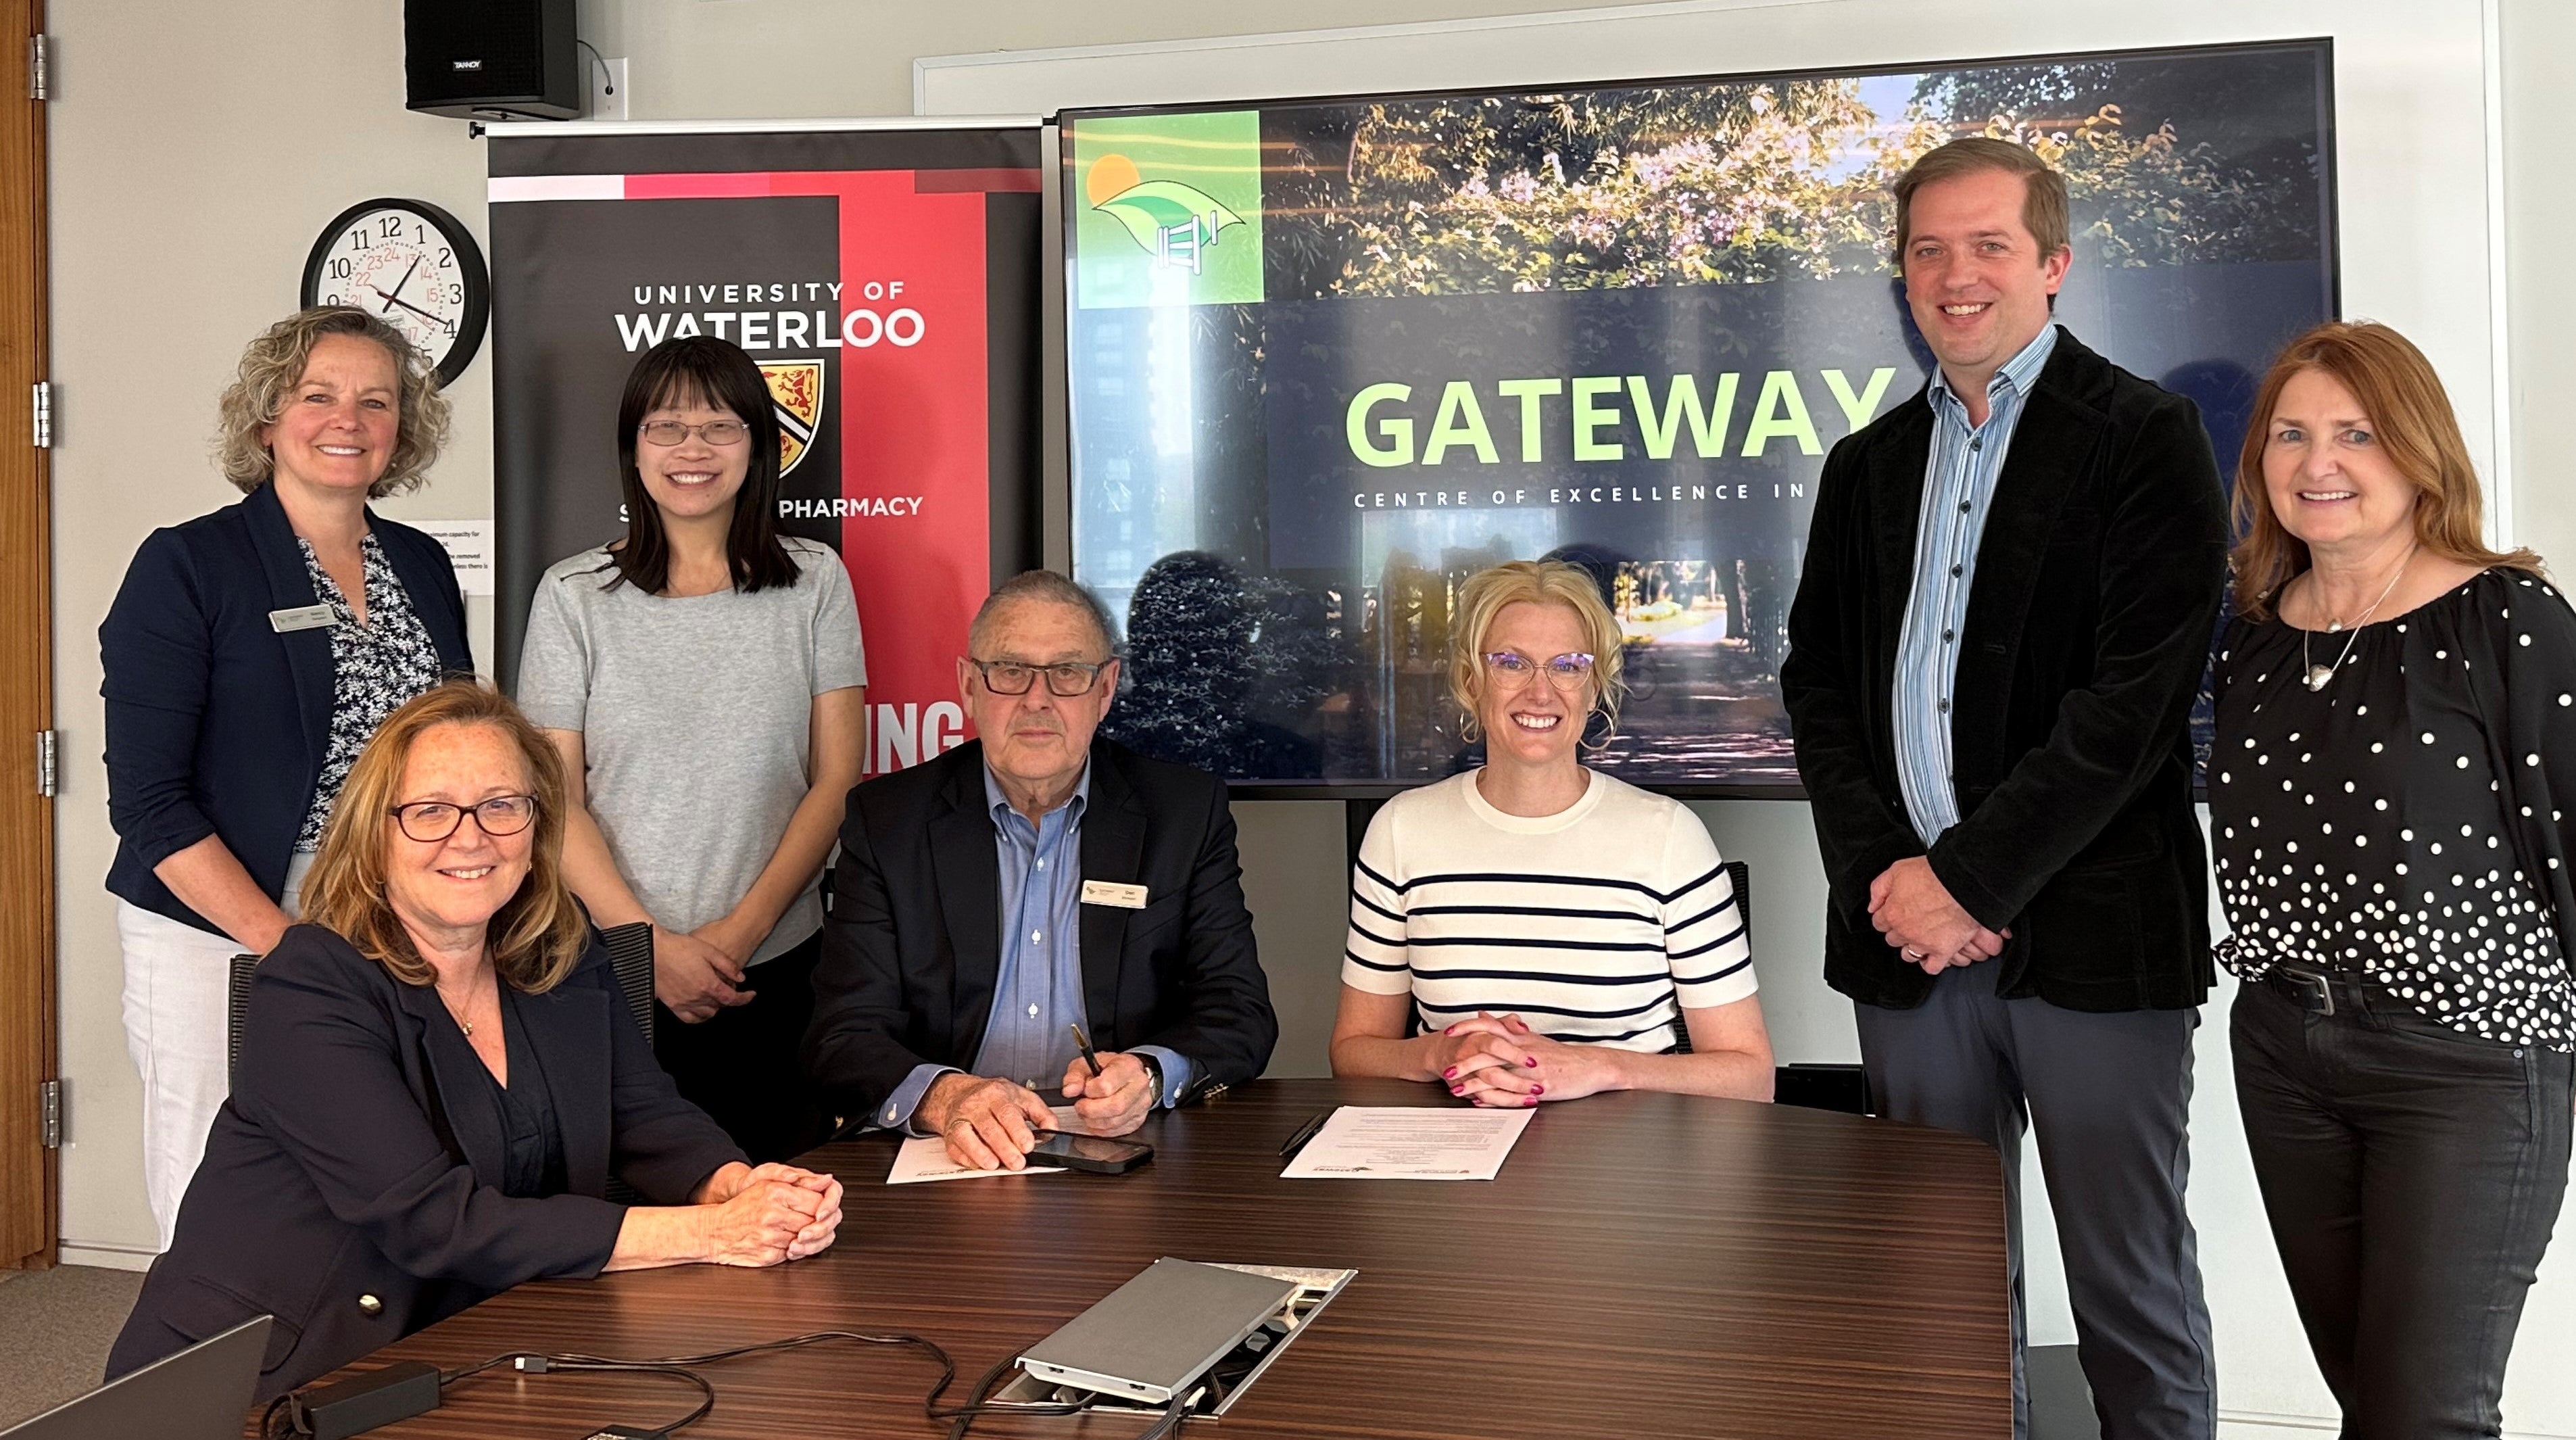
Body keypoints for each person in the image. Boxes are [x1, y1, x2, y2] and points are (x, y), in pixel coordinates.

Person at [1779, 137, 2227, 1440]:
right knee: (1935, 1294)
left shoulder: (2145, 436)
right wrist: (1891, 881)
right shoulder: (1863, 468)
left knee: (2127, 1287)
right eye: (1927, 250)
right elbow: (1819, 692)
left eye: (1987, 246)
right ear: (1902, 277)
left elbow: (2133, 705)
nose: (1954, 274)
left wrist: (1967, 880)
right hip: (1904, 952)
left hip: (2091, 945)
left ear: (2052, 265)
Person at [105, 681, 842, 1402]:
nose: (472, 837)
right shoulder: (311, 985)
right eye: (430, 811)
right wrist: (711, 1232)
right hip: (272, 1376)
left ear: (537, 823)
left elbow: (645, 1114)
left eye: (501, 806)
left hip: (475, 1346)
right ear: (375, 833)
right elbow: (431, 1221)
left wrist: (738, 1186)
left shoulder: (562, 949)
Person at [2211, 321, 2572, 1437]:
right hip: (2285, 1056)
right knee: (2369, 1402)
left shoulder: (2504, 619)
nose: (2318, 463)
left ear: (2418, 453)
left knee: (2424, 1419)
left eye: (2356, 433)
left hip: (2465, 1066)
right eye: (2291, 435)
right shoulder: (2257, 642)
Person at [99, 307, 472, 1248]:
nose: (346, 418)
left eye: (375, 400)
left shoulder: (423, 566)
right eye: (319, 395)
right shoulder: (188, 564)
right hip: (217, 932)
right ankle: (207, 1389)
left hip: (384, 924)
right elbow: (148, 803)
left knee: (374, 1174)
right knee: (215, 1194)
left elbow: (455, 749)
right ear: (267, 419)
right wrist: (288, 944)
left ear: (401, 432)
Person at [516, 335, 866, 1163]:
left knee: (779, 1203)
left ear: (760, 445)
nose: (692, 450)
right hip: (605, 967)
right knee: (633, 1214)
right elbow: (553, 797)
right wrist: (650, 948)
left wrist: (738, 938)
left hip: (775, 965)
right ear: (633, 451)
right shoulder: (573, 597)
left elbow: (836, 779)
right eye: (666, 428)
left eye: (719, 427)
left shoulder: (816, 581)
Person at [803, 569, 1278, 1171]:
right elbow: (842, 1034)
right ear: (968, 685)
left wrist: (1151, 1074)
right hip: (948, 1154)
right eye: (1009, 671)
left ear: (1105, 688)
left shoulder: (1182, 813)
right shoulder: (889, 821)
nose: (1037, 700)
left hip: (1123, 1152)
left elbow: (1239, 1011)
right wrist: (947, 1097)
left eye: (1067, 674)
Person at [1330, 560, 1774, 1103]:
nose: (1540, 692)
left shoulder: (1669, 836)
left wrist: (1595, 1066)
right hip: (1454, 1164)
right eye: (1511, 663)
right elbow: (1353, 1052)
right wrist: (1437, 1054)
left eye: (1567, 666)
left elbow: (1751, 1076)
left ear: (1593, 690)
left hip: (1632, 1170)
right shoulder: (1400, 829)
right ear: (1472, 681)